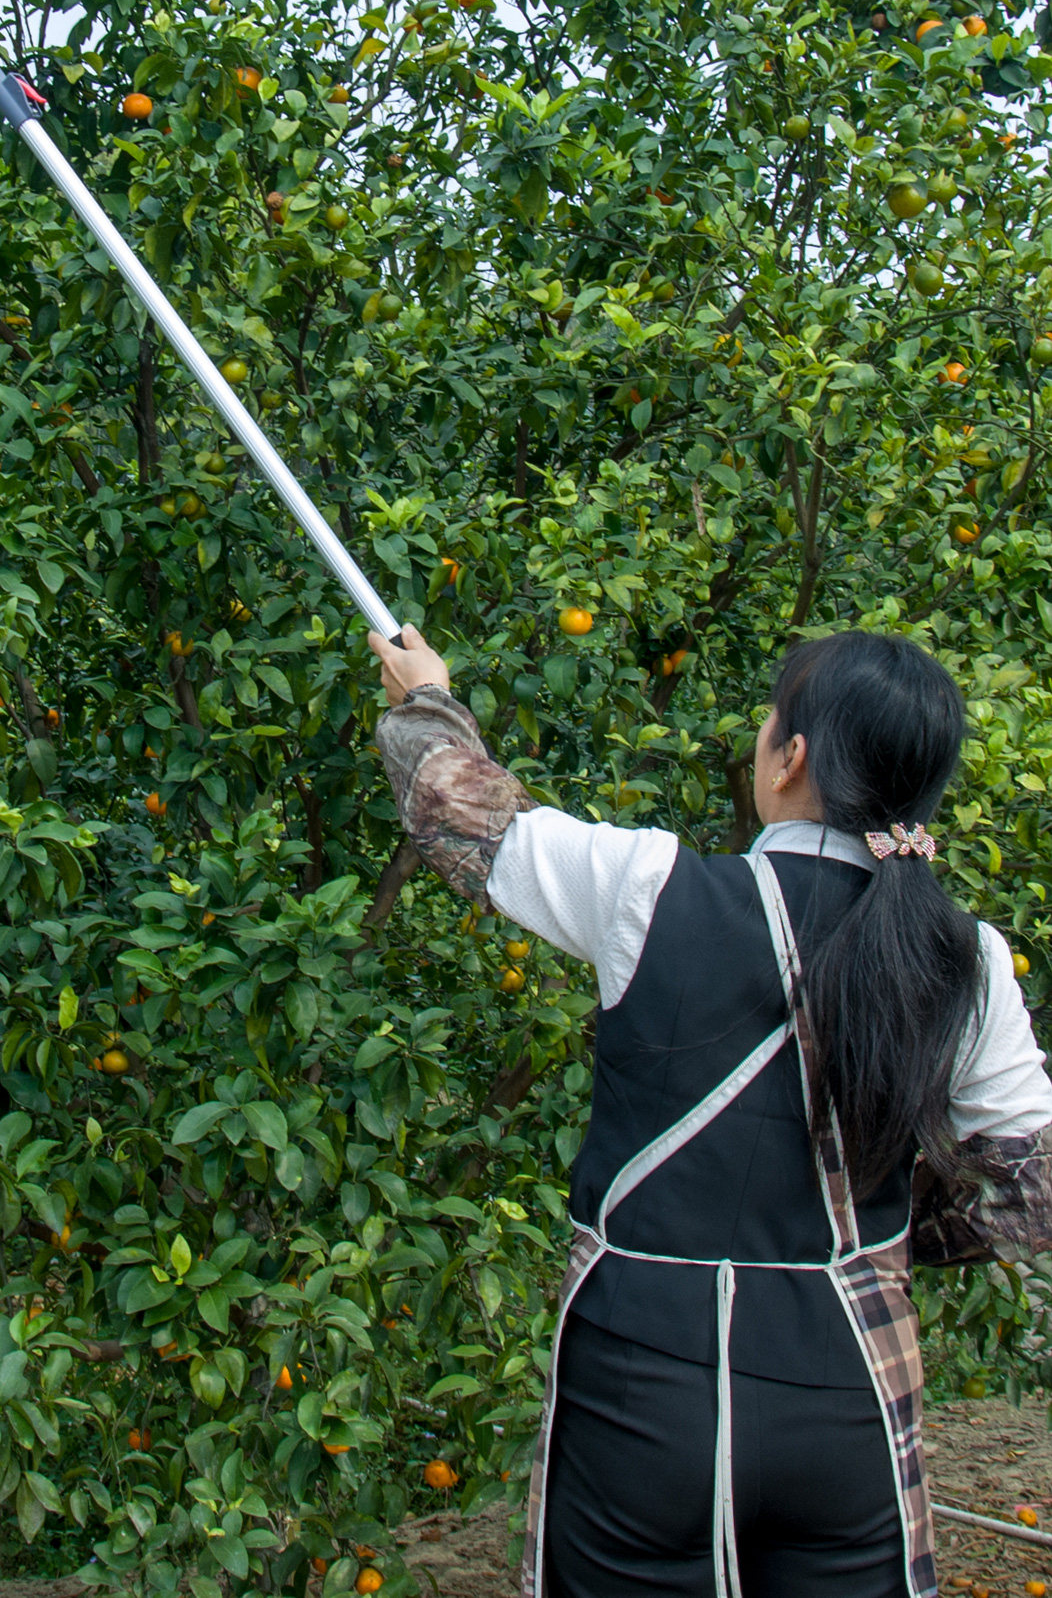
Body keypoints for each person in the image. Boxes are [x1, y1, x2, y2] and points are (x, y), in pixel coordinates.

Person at [367, 623, 1052, 1598]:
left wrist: (425, 697)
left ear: (791, 758)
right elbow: (1030, 1190)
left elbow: (452, 805)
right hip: (844, 1376)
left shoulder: (648, 887)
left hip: (640, 1384)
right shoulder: (967, 956)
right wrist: (884, 1228)